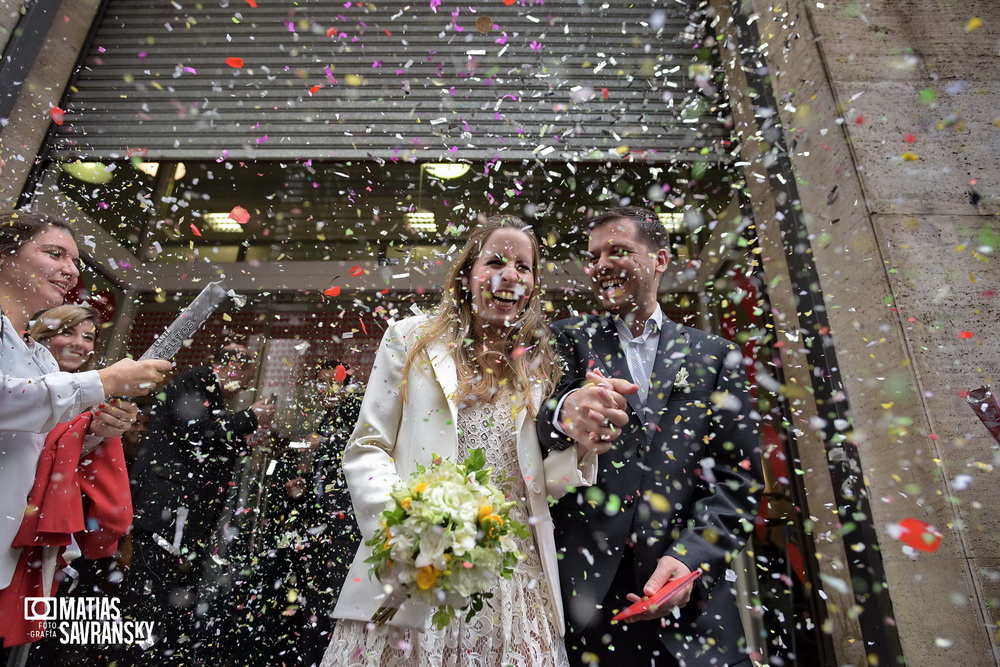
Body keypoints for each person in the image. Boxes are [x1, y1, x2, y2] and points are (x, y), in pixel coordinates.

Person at [322, 216, 600, 667]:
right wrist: (407, 531)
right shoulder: (410, 338)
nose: (510, 275)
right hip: (419, 564)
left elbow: (533, 484)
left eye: (524, 267)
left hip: (516, 577)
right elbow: (367, 446)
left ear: (532, 286)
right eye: (495, 261)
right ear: (468, 274)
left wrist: (583, 450)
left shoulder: (538, 364)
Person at [536, 206, 764, 666]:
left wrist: (692, 557)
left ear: (660, 260)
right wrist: (564, 413)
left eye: (618, 251)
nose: (601, 265)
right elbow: (532, 435)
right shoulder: (562, 341)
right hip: (586, 604)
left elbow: (739, 480)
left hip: (694, 614)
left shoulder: (715, 355)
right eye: (594, 255)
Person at [0, 211, 170, 649]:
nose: (70, 270)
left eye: (74, 260)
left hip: (12, 543)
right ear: (5, 254)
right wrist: (105, 382)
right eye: (53, 253)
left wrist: (93, 432)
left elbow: (44, 440)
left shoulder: (35, 355)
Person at [124, 343, 274, 663]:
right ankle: (139, 656)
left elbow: (208, 448)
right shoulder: (198, 379)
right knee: (154, 594)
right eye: (246, 379)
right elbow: (197, 434)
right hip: (172, 509)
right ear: (235, 367)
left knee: (173, 592)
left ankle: (161, 654)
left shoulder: (211, 393)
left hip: (186, 513)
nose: (244, 388)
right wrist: (250, 416)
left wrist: (243, 441)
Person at [223, 360, 363, 666]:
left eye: (334, 382)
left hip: (344, 529)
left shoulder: (357, 413)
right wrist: (301, 484)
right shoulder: (322, 419)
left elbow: (362, 452)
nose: (327, 389)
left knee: (327, 602)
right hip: (313, 524)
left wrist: (325, 443)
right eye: (321, 383)